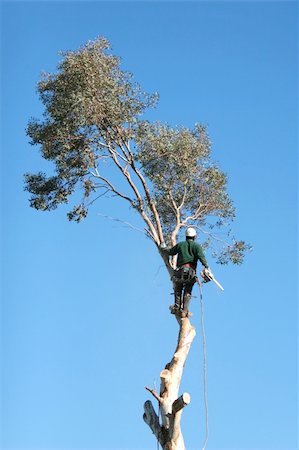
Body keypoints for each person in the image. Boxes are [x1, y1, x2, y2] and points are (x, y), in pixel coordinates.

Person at [162, 227, 211, 317]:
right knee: (188, 291)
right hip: (191, 273)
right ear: (194, 236)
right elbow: (201, 257)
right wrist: (206, 267)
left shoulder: (181, 245)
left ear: (186, 236)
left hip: (180, 271)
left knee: (178, 289)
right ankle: (184, 310)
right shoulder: (196, 246)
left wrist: (163, 248)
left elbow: (171, 251)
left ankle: (177, 307)